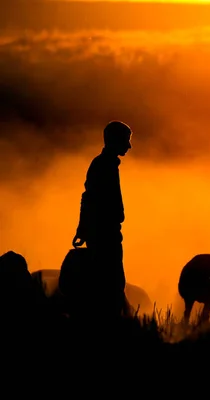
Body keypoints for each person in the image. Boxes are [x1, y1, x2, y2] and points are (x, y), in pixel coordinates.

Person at [72, 120, 132, 321]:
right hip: (105, 234)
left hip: (106, 232)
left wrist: (83, 229)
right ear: (116, 141)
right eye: (126, 140)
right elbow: (88, 198)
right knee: (111, 282)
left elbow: (87, 198)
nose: (129, 146)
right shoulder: (103, 166)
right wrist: (83, 228)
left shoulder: (104, 164)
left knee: (110, 280)